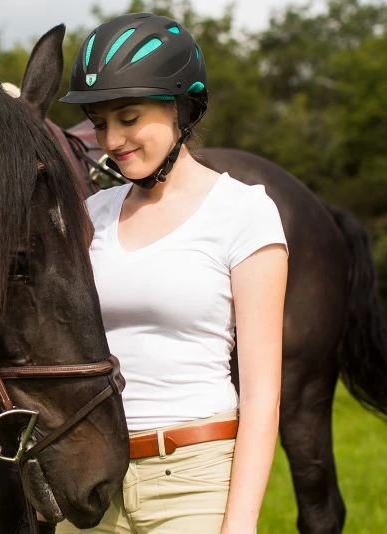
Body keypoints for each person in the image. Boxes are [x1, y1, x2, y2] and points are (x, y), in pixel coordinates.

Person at [55, 12, 288, 534]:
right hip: (96, 477)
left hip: (194, 478)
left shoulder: (244, 212)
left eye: (129, 117)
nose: (112, 139)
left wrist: (241, 522)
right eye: (100, 123)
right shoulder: (93, 214)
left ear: (180, 107)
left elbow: (261, 391)